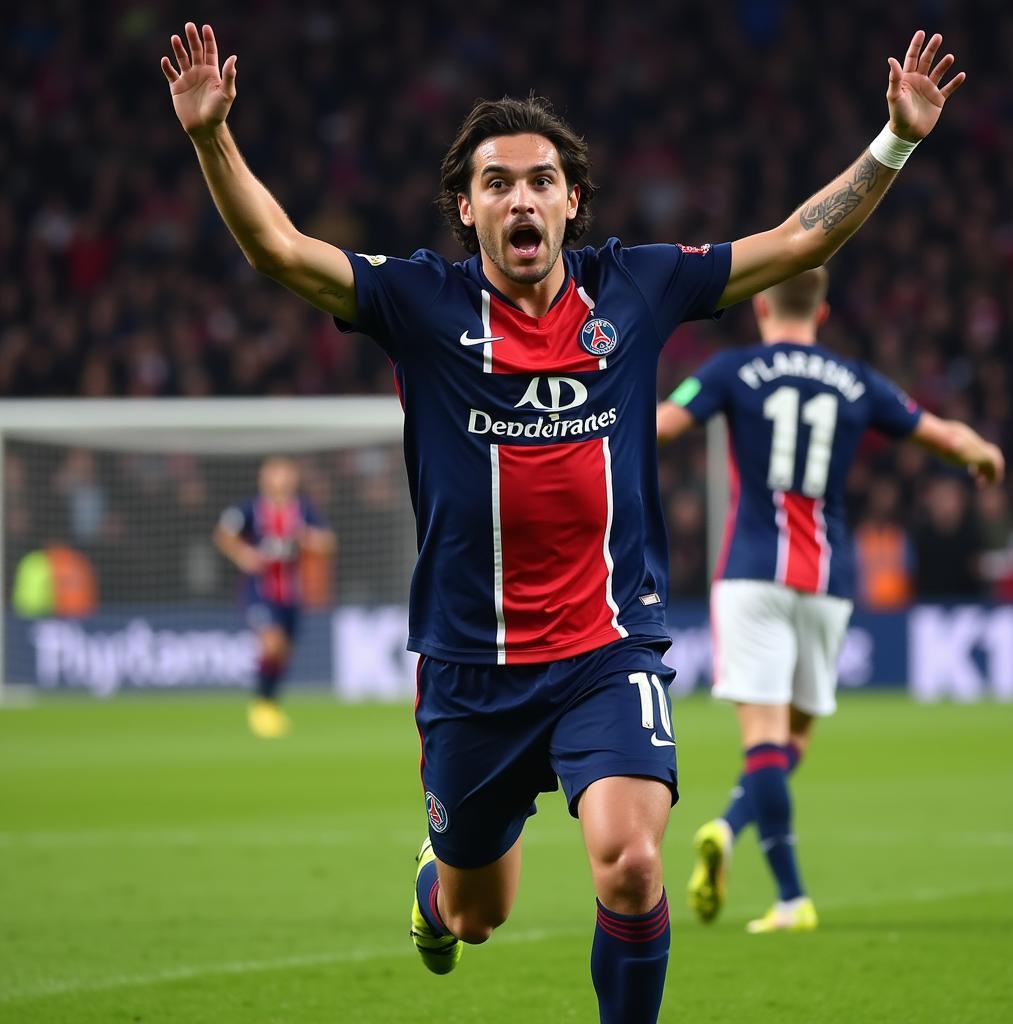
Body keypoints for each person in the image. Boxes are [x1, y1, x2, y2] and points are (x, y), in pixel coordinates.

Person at [163, 21, 964, 1020]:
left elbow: (802, 238)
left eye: (540, 179)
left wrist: (894, 139)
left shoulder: (636, 284)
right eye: (496, 183)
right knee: (473, 914)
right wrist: (209, 138)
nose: (521, 197)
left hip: (605, 649)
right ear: (467, 208)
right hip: (471, 666)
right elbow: (280, 250)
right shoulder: (421, 303)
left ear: (571, 200)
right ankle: (436, 891)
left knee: (629, 865)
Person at [656, 268, 1003, 934]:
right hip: (827, 581)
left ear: (760, 303)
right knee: (795, 742)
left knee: (764, 742)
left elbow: (666, 425)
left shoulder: (732, 369)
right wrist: (981, 453)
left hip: (753, 573)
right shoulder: (857, 380)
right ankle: (729, 831)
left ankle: (789, 898)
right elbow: (943, 436)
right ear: (820, 313)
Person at [214, 456, 336, 737]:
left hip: (291, 593)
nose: (280, 480)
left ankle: (269, 704)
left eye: (285, 474)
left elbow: (328, 542)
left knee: (282, 652)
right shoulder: (250, 509)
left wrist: (305, 537)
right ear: (264, 479)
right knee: (272, 643)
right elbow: (223, 533)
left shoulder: (302, 510)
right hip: (260, 591)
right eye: (274, 474)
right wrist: (243, 554)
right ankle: (261, 706)